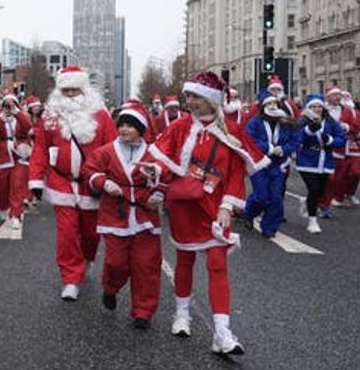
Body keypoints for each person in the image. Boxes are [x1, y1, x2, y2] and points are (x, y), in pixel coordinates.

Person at [148, 72, 266, 355]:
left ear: (211, 100)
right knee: (185, 259)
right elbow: (161, 156)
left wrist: (227, 206)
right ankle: (182, 313)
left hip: (215, 206)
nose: (190, 102)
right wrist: (154, 171)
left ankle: (222, 332)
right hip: (185, 205)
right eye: (188, 96)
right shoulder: (179, 127)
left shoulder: (232, 131)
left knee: (217, 264)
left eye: (196, 97)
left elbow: (235, 173)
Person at [29, 67, 117, 300]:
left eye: (74, 90)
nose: (69, 94)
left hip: (91, 183)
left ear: (84, 89)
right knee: (67, 234)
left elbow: (112, 148)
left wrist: (112, 179)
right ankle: (70, 279)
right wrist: (36, 179)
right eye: (65, 90)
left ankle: (87, 258)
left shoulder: (101, 116)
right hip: (62, 181)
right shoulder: (51, 116)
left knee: (90, 234)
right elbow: (40, 148)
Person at [85, 101, 163, 329]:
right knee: (116, 263)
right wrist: (104, 182)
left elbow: (167, 176)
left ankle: (143, 312)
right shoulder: (107, 151)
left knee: (146, 265)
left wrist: (158, 194)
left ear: (140, 128)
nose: (124, 129)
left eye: (130, 125)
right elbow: (90, 169)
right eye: (121, 125)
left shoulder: (154, 153)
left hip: (145, 216)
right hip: (115, 214)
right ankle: (110, 288)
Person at [243, 89, 301, 238]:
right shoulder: (255, 122)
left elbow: (296, 139)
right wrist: (268, 148)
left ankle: (269, 227)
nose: (272, 106)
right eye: (268, 104)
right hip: (259, 164)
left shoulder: (286, 122)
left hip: (278, 165)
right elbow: (249, 139)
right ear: (263, 107)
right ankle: (249, 213)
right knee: (261, 196)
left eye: (275, 103)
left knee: (276, 198)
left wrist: (284, 149)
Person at [295, 94, 347, 233]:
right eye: (313, 106)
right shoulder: (302, 121)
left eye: (319, 106)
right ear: (308, 108)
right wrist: (308, 131)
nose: (316, 109)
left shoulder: (330, 122)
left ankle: (308, 202)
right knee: (314, 188)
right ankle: (312, 221)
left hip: (325, 161)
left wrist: (329, 140)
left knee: (321, 191)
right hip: (307, 160)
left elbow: (342, 139)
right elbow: (297, 138)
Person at [0, 94, 34, 230]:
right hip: (3, 156)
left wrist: (16, 113)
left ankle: (16, 215)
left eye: (12, 104)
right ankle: (3, 207)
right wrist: (0, 120)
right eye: (6, 104)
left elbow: (28, 128)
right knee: (3, 187)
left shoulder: (22, 117)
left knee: (17, 185)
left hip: (20, 155)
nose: (9, 107)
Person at [318, 86, 358, 212]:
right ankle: (322, 202)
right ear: (328, 97)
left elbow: (355, 126)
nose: (338, 97)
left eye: (339, 95)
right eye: (335, 95)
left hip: (341, 148)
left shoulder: (347, 110)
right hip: (323, 147)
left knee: (338, 177)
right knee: (326, 177)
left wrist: (348, 128)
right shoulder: (321, 109)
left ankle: (330, 201)